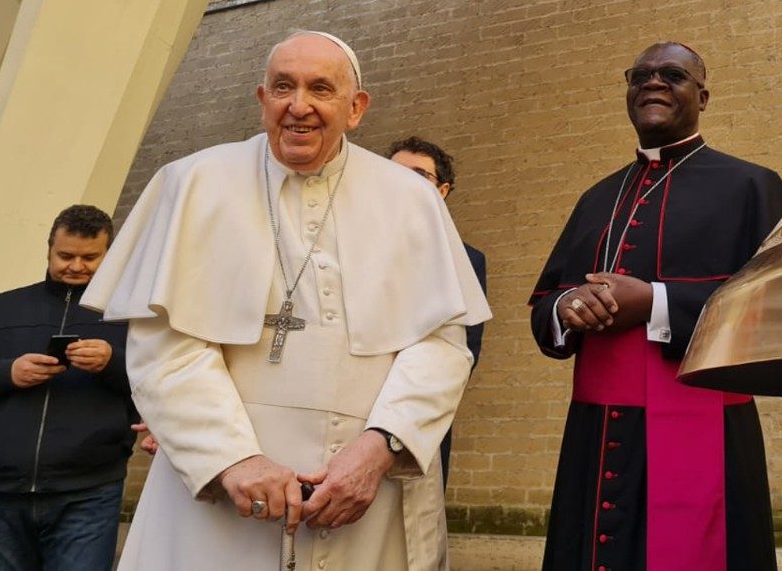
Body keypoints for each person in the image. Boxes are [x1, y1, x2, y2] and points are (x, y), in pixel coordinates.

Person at [83, 30, 491, 571]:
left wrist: (379, 450)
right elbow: (165, 348)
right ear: (262, 100)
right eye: (283, 87)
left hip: (366, 495)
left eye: (321, 89)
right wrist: (233, 459)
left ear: (356, 108)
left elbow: (441, 346)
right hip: (223, 505)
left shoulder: (411, 199)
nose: (299, 106)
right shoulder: (193, 183)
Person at [529, 42, 782, 571]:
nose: (653, 83)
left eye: (672, 74)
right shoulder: (596, 197)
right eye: (640, 75)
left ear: (703, 94)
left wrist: (655, 301)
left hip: (705, 426)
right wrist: (568, 308)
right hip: (597, 432)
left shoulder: (750, 185)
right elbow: (544, 300)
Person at [0, 204, 137, 571]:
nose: (76, 266)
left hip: (88, 493)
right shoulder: (5, 307)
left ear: (110, 253)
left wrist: (112, 363)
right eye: (65, 255)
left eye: (90, 257)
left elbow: (159, 386)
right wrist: (8, 372)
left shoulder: (129, 314)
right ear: (48, 251)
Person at [387, 136, 489, 482]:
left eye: (419, 174)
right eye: (393, 171)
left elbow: (465, 347)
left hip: (419, 415)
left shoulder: (467, 260)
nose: (403, 181)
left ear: (442, 190)